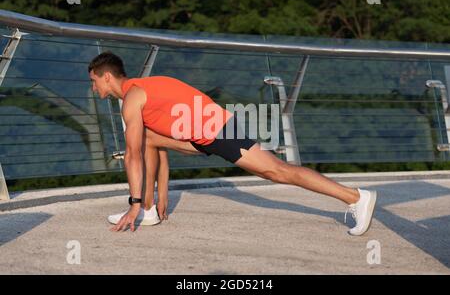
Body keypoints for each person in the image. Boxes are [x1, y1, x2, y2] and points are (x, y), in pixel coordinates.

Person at [88, 51, 377, 236]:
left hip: (217, 131)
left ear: (107, 77)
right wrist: (158, 196)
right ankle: (151, 211)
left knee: (277, 171)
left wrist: (133, 204)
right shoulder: (142, 90)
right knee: (148, 139)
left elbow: (131, 159)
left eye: (94, 81)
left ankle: (354, 197)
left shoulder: (133, 99)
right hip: (201, 134)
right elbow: (151, 148)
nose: (93, 87)